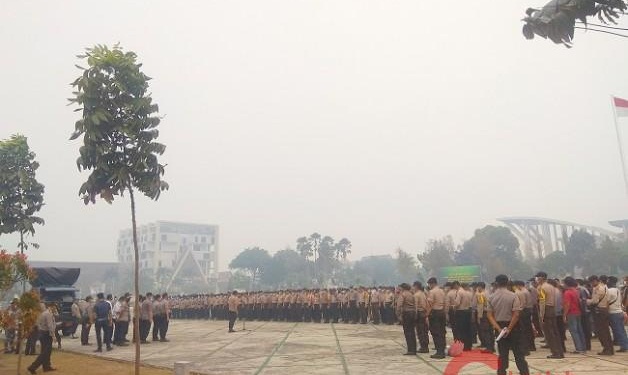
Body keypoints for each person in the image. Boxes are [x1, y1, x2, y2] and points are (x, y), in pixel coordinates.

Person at [486, 274, 529, 375]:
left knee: (502, 353)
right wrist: (509, 328)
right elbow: (516, 314)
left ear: (496, 283)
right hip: (513, 327)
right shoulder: (513, 296)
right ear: (507, 282)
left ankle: (501, 372)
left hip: (499, 326)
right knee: (518, 352)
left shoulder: (491, 297)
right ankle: (524, 372)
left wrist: (498, 329)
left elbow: (489, 315)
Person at [536, 271, 564, 359]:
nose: (536, 279)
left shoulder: (542, 288)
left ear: (541, 278)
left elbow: (542, 302)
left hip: (546, 310)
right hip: (552, 309)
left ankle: (555, 353)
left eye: (537, 277)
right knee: (555, 332)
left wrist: (541, 315)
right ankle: (560, 352)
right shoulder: (552, 287)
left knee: (549, 333)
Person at [586, 275, 614, 355]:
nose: (591, 284)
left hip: (599, 311)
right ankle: (609, 349)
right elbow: (608, 300)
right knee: (606, 331)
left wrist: (586, 301)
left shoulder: (598, 289)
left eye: (591, 282)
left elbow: (594, 301)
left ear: (594, 281)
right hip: (604, 309)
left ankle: (607, 349)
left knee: (601, 331)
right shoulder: (605, 287)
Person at [27, 302, 57, 374]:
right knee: (45, 353)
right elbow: (50, 326)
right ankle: (32, 367)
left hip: (42, 334)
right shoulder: (48, 314)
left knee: (46, 352)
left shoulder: (43, 313)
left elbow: (38, 324)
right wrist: (53, 336)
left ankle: (46, 366)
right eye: (55, 307)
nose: (55, 308)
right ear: (51, 306)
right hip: (47, 334)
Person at [426, 277, 447, 359]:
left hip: (435, 313)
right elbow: (445, 302)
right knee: (442, 332)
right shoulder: (442, 291)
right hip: (441, 312)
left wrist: (427, 315)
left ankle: (439, 352)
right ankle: (442, 350)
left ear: (432, 284)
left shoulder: (432, 292)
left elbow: (430, 304)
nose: (429, 286)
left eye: (429, 284)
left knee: (436, 333)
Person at [606, 276, 628, 353]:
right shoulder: (617, 290)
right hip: (619, 312)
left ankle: (624, 346)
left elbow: (607, 302)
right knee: (621, 330)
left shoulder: (609, 291)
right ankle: (625, 344)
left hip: (613, 313)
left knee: (618, 330)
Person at [395, 283, 416, 355]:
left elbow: (399, 305)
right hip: (412, 313)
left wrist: (398, 315)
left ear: (403, 288)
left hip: (406, 313)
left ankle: (410, 350)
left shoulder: (403, 294)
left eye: (400, 288)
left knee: (407, 332)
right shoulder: (411, 294)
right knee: (412, 332)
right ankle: (414, 349)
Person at [476, 282, 495, 353]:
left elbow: (480, 306)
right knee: (490, 331)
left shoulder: (481, 295)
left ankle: (489, 347)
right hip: (490, 313)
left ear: (480, 287)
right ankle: (492, 347)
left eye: (478, 287)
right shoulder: (489, 293)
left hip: (484, 314)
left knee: (485, 331)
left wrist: (479, 316)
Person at [413, 281, 430, 353]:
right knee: (425, 330)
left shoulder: (416, 295)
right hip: (424, 313)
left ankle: (423, 347)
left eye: (413, 286)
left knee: (420, 331)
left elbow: (416, 307)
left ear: (416, 286)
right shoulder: (424, 293)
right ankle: (425, 346)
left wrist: (415, 316)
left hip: (419, 313)